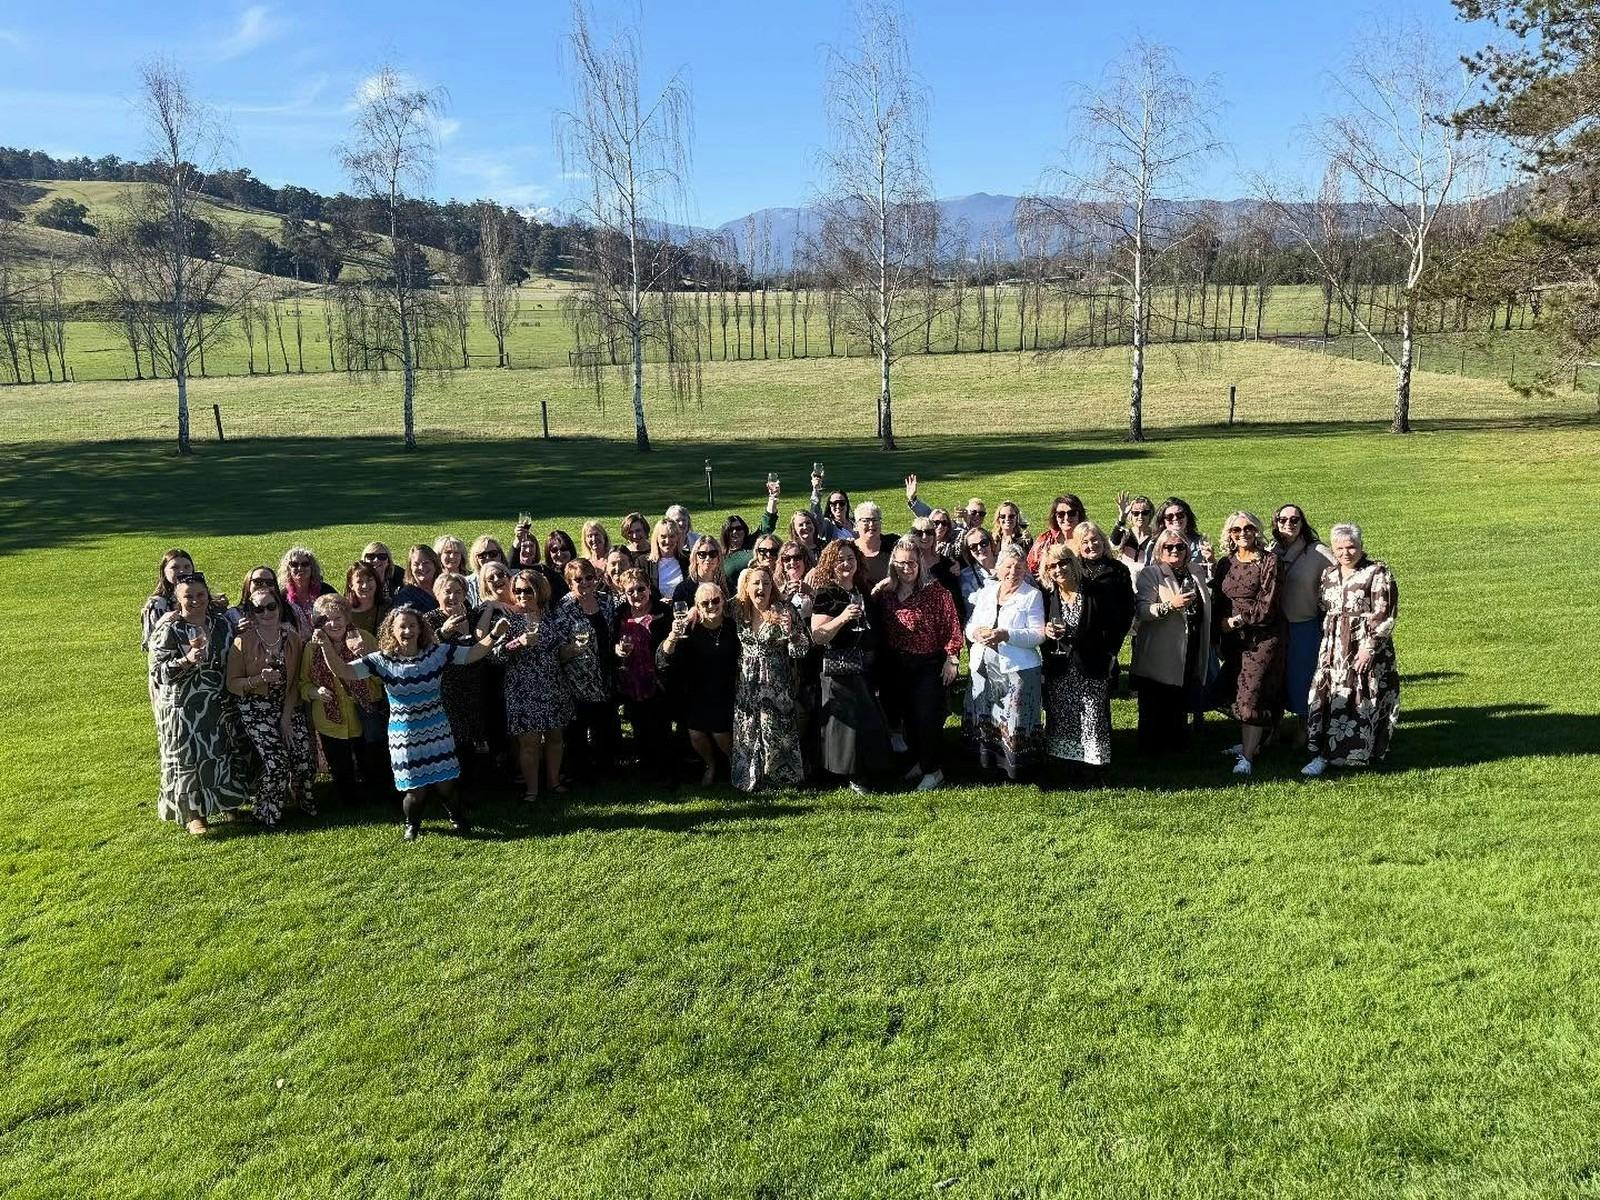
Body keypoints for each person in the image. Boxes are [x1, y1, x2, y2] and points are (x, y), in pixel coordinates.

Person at [315, 605, 508, 839]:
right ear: (392, 631)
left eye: (412, 626)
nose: (407, 631)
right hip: (404, 734)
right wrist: (326, 646)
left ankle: (457, 818)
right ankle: (412, 825)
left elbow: (472, 654)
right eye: (402, 627)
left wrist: (494, 635)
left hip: (437, 730)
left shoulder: (436, 653)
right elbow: (344, 670)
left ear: (420, 629)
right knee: (414, 790)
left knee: (445, 784)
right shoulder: (382, 660)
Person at [149, 572, 248, 835]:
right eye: (188, 597)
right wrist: (187, 660)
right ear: (177, 599)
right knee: (189, 761)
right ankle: (195, 815)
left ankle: (229, 804)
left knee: (221, 754)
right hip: (184, 707)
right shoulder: (169, 628)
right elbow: (158, 673)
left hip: (218, 702)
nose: (195, 601)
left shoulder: (221, 624)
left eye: (200, 595)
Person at [1304, 524, 1400, 776]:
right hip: (1333, 647)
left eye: (1351, 547)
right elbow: (1324, 608)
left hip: (1363, 645)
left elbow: (1385, 614)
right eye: (1340, 548)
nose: (1346, 553)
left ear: (1361, 546)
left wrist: (1369, 648)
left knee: (1363, 694)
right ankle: (1324, 752)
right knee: (1329, 694)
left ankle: (1359, 751)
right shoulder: (1328, 574)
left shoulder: (1377, 572)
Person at [1042, 528, 1135, 778]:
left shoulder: (1095, 591)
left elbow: (1114, 626)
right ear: (1047, 571)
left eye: (1063, 563)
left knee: (1092, 715)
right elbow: (1039, 628)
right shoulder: (1048, 596)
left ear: (1073, 563)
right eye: (1053, 566)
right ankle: (1063, 763)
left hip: (1092, 662)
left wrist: (1108, 654)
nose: (1059, 569)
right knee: (1062, 714)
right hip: (1060, 665)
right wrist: (1047, 630)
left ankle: (1093, 765)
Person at [875, 541, 962, 790]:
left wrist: (952, 659)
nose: (906, 568)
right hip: (896, 664)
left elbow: (953, 629)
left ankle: (934, 770)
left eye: (911, 562)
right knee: (907, 718)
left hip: (928, 663)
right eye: (901, 563)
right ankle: (919, 761)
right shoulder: (887, 593)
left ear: (919, 563)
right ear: (894, 564)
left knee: (926, 718)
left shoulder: (936, 592)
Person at [227, 584, 316, 827]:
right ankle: (264, 811)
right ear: (251, 613)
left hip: (288, 705)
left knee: (303, 757)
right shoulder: (241, 643)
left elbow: (296, 682)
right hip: (255, 708)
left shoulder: (292, 638)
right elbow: (232, 684)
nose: (266, 613)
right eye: (259, 609)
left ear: (279, 607)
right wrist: (259, 680)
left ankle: (302, 802)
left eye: (271, 606)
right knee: (277, 764)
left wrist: (286, 718)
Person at [809, 540, 892, 791]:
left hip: (862, 666)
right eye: (840, 559)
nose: (846, 563)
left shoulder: (860, 589)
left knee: (867, 720)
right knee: (847, 727)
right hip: (838, 669)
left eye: (850, 558)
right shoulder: (826, 593)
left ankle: (869, 770)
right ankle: (854, 775)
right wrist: (843, 618)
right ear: (830, 564)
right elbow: (818, 635)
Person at [1209, 511, 1285, 776]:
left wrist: (1236, 621)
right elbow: (1218, 600)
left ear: (1257, 530)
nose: (1243, 533)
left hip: (1261, 639)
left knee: (1251, 695)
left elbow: (1268, 604)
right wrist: (1218, 630)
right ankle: (1254, 739)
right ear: (1229, 534)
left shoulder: (1269, 561)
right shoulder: (1225, 563)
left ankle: (1247, 757)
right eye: (1236, 530)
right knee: (1231, 692)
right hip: (1232, 641)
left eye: (1249, 528)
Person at [299, 593, 390, 807]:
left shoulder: (364, 638)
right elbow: (303, 684)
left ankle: (378, 798)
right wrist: (316, 692)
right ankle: (348, 802)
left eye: (338, 618)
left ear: (347, 618)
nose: (333, 624)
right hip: (330, 719)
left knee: (370, 761)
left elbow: (384, 676)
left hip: (364, 713)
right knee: (340, 767)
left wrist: (367, 657)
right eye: (326, 619)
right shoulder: (312, 647)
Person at [965, 543, 1046, 780]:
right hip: (984, 665)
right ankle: (987, 762)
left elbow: (1037, 635)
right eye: (1008, 567)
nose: (1013, 572)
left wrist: (1006, 635)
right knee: (987, 715)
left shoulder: (1032, 595)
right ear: (998, 569)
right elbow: (971, 625)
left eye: (1019, 568)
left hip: (1018, 668)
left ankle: (1017, 767)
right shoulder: (988, 592)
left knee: (1014, 718)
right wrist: (976, 634)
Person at [496, 571, 578, 802]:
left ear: (540, 591)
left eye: (527, 590)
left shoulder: (550, 616)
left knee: (555, 738)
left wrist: (570, 651)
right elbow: (494, 655)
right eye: (518, 590)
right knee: (529, 743)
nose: (522, 595)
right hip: (523, 688)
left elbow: (558, 652)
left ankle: (554, 782)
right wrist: (518, 643)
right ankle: (532, 789)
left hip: (552, 684)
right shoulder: (508, 618)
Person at [1130, 531, 1212, 753]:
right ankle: (1152, 750)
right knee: (1155, 701)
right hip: (1160, 650)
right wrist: (1169, 606)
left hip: (1190, 644)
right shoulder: (1151, 574)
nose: (1175, 551)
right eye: (1169, 547)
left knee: (1180, 696)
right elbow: (1142, 610)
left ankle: (1178, 745)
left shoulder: (1195, 572)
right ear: (1159, 550)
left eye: (1180, 547)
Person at [730, 566, 809, 791]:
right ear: (746, 586)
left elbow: (802, 649)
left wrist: (792, 632)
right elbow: (710, 609)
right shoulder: (737, 608)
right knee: (748, 728)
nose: (761, 588)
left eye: (766, 583)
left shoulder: (784, 610)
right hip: (746, 682)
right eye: (756, 583)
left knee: (776, 730)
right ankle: (748, 779)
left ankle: (781, 779)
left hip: (776, 681)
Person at [658, 582, 741, 783]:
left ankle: (737, 765)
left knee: (720, 734)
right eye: (705, 603)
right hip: (698, 690)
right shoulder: (690, 628)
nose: (711, 606)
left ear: (723, 601)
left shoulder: (732, 627)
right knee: (695, 734)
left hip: (726, 689)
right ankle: (710, 765)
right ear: (697, 605)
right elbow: (664, 658)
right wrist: (673, 636)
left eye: (715, 600)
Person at [554, 559, 618, 781]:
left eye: (589, 578)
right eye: (578, 580)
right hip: (577, 681)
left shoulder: (606, 601)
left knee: (606, 728)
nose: (584, 583)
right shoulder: (564, 608)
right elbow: (558, 651)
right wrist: (575, 649)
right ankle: (579, 774)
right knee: (577, 732)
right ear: (569, 582)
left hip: (604, 675)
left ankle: (606, 771)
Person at [424, 572, 495, 774]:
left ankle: (484, 780)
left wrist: (468, 633)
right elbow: (425, 652)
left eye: (458, 592)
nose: (453, 597)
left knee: (479, 735)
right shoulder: (429, 619)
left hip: (476, 685)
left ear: (465, 594)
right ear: (437, 594)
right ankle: (457, 782)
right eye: (447, 592)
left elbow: (483, 646)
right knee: (456, 739)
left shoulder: (473, 616)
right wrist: (443, 633)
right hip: (447, 689)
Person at [1271, 504, 1335, 724]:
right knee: (1277, 680)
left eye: (1294, 520)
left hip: (1304, 626)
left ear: (1302, 523)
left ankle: (1305, 728)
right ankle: (1274, 727)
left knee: (1303, 679)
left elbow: (1343, 573)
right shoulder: (1272, 551)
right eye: (1283, 519)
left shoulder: (1317, 552)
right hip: (1276, 628)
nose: (1288, 524)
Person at [612, 568, 676, 788]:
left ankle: (666, 773)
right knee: (638, 726)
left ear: (649, 588)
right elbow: (613, 641)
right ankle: (646, 771)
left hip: (657, 679)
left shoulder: (663, 612)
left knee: (660, 727)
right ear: (623, 592)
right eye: (631, 591)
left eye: (641, 589)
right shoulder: (620, 614)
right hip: (631, 679)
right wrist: (617, 650)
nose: (637, 594)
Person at [722, 479, 782, 580]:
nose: (735, 532)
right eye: (730, 529)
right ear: (725, 533)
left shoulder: (754, 543)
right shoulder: (720, 554)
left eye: (738, 528)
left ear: (744, 530)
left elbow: (768, 522)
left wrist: (773, 497)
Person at [141, 548, 195, 652]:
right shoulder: (157, 604)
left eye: (187, 567)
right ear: (164, 571)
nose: (182, 571)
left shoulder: (201, 597)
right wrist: (162, 622)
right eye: (175, 567)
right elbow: (150, 642)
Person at [1025, 495, 1085, 576]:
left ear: (1079, 515)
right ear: (1055, 517)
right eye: (1061, 514)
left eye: (1072, 513)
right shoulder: (1045, 540)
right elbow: (1030, 568)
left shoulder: (1087, 538)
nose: (1066, 518)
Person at [1156, 498, 1215, 578]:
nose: (1175, 518)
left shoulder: (1199, 543)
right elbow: (1148, 571)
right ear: (1163, 521)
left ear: (1187, 518)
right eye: (1169, 517)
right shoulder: (1154, 544)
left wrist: (1211, 560)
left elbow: (1213, 576)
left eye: (1180, 515)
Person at [280, 546, 334, 627]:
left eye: (305, 564)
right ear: (288, 569)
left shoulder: (325, 590)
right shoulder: (283, 596)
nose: (300, 568)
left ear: (311, 567)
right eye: (294, 564)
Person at [958, 525, 999, 625]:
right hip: (977, 629)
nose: (980, 548)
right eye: (973, 546)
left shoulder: (1007, 565)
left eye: (983, 543)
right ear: (969, 551)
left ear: (991, 543)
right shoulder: (964, 576)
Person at [853, 501, 899, 587]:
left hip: (890, 597)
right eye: (865, 521)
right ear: (856, 525)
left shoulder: (893, 543)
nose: (871, 524)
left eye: (875, 520)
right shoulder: (850, 549)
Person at [673, 535, 729, 605]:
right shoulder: (683, 589)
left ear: (718, 558)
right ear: (695, 558)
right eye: (702, 554)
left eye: (713, 554)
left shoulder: (727, 586)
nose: (708, 558)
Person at [344, 560, 388, 635]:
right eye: (359, 581)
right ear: (351, 585)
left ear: (376, 582)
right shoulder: (344, 611)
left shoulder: (388, 607)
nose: (365, 585)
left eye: (369, 580)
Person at [1111, 493, 1158, 565]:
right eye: (1136, 513)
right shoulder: (1125, 534)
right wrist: (1122, 519)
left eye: (1145, 513)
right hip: (1125, 574)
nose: (1140, 516)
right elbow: (1113, 545)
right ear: (1131, 515)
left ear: (1150, 514)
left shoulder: (1155, 537)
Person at [393, 544, 442, 611]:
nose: (421, 567)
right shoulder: (406, 595)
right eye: (416, 564)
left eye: (426, 563)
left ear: (435, 565)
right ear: (410, 568)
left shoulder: (446, 587)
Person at [648, 519, 689, 598]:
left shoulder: (688, 559)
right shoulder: (644, 562)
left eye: (672, 536)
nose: (667, 541)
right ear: (656, 538)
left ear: (678, 538)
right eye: (663, 536)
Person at [810, 471, 856, 540]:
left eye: (841, 503)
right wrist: (816, 490)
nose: (838, 506)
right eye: (834, 503)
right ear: (830, 506)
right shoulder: (827, 525)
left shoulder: (855, 522)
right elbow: (815, 515)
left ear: (847, 504)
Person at [465, 535, 506, 603]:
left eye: (493, 554)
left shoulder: (512, 577)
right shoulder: (468, 584)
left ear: (500, 555)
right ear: (476, 559)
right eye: (482, 555)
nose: (488, 558)